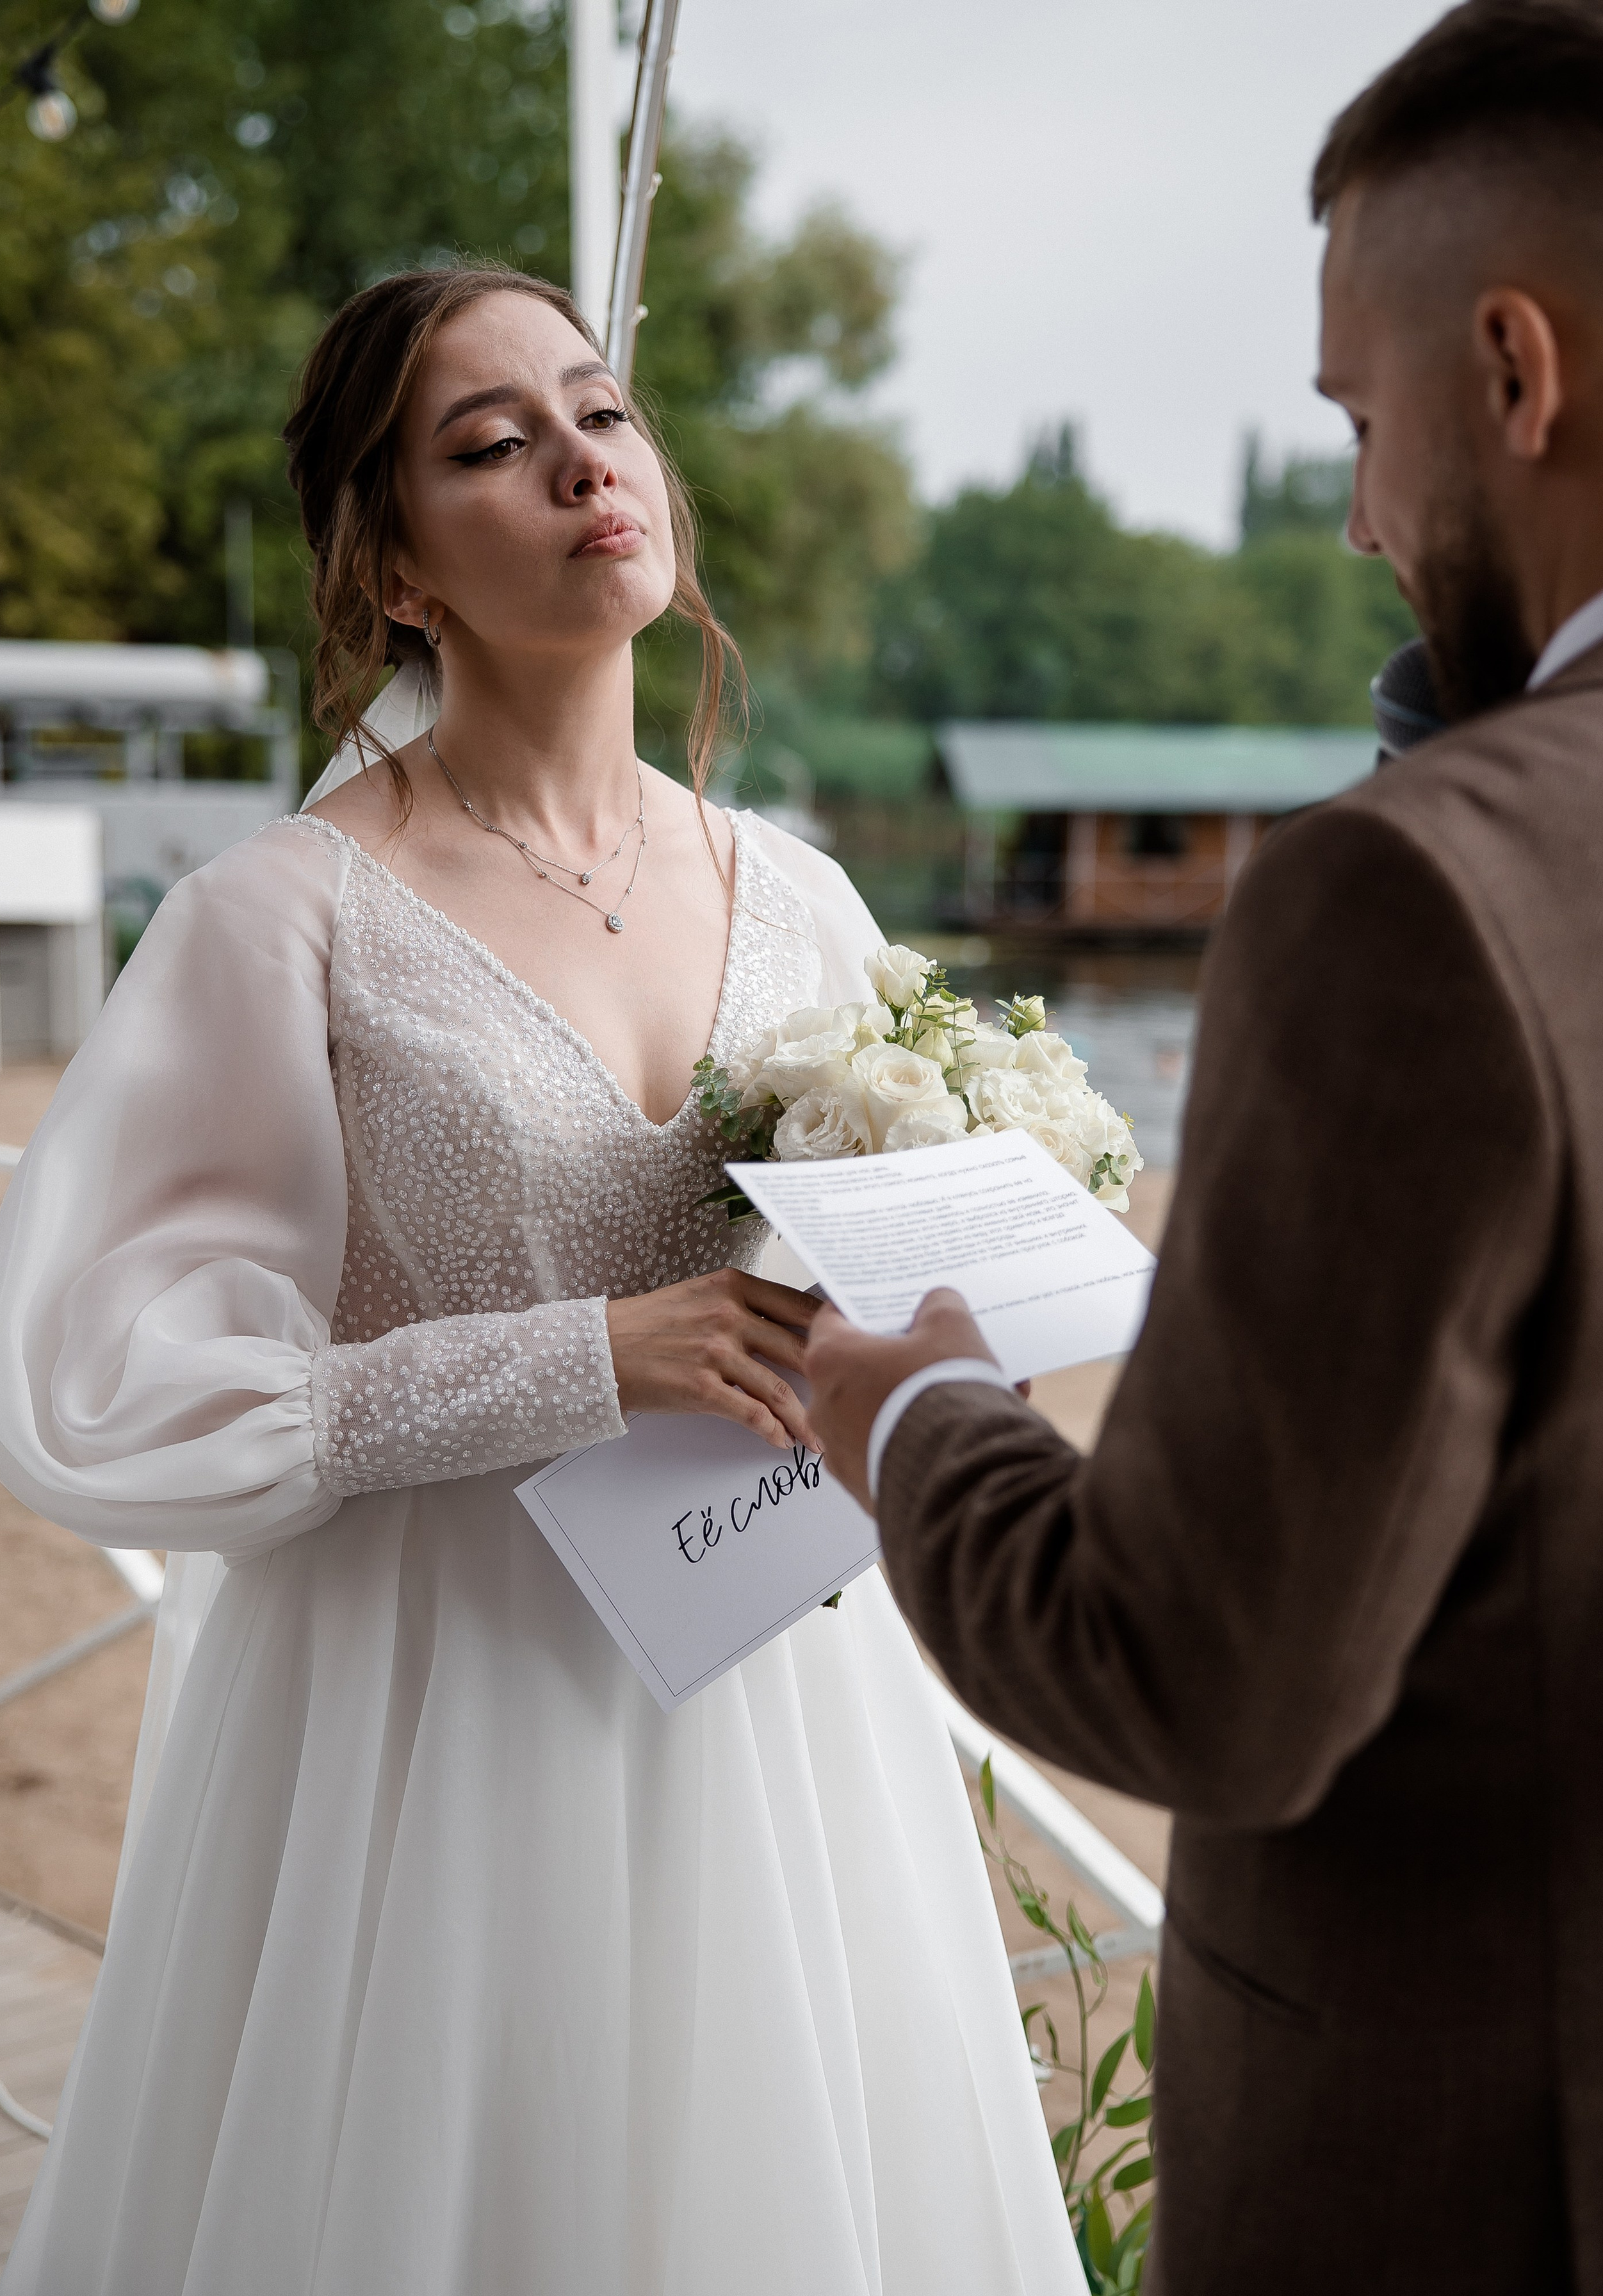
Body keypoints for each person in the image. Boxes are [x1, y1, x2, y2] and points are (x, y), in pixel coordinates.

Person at [0, 265, 1079, 2296]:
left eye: (604, 413)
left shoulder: (802, 895)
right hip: (435, 1713)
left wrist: (954, 1286)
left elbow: (862, 1272)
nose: (582, 458)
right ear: (393, 565)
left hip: (772, 1687)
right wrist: (579, 1355)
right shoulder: (281, 916)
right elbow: (101, 1387)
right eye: (491, 445)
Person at [804, 6, 1603, 2290]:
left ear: (1516, 374)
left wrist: (921, 1414)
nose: (1358, 516)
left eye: (1361, 422)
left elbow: (1201, 1679)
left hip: (1480, 2165)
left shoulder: (1418, 887)